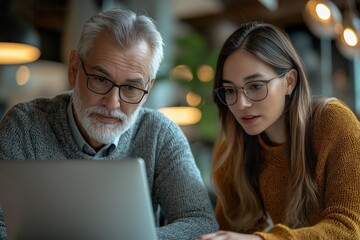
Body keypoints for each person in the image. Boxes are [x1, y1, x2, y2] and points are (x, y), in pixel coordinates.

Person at [0, 8, 218, 240]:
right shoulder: (24, 126)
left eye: (131, 88)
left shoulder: (160, 134)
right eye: (101, 80)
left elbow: (201, 222)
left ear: (148, 89)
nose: (113, 103)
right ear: (74, 69)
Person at [198, 22, 360, 240]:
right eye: (229, 90)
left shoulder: (332, 122)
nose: (241, 104)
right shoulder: (234, 149)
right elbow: (231, 230)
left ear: (289, 82)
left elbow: (349, 229)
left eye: (255, 86)